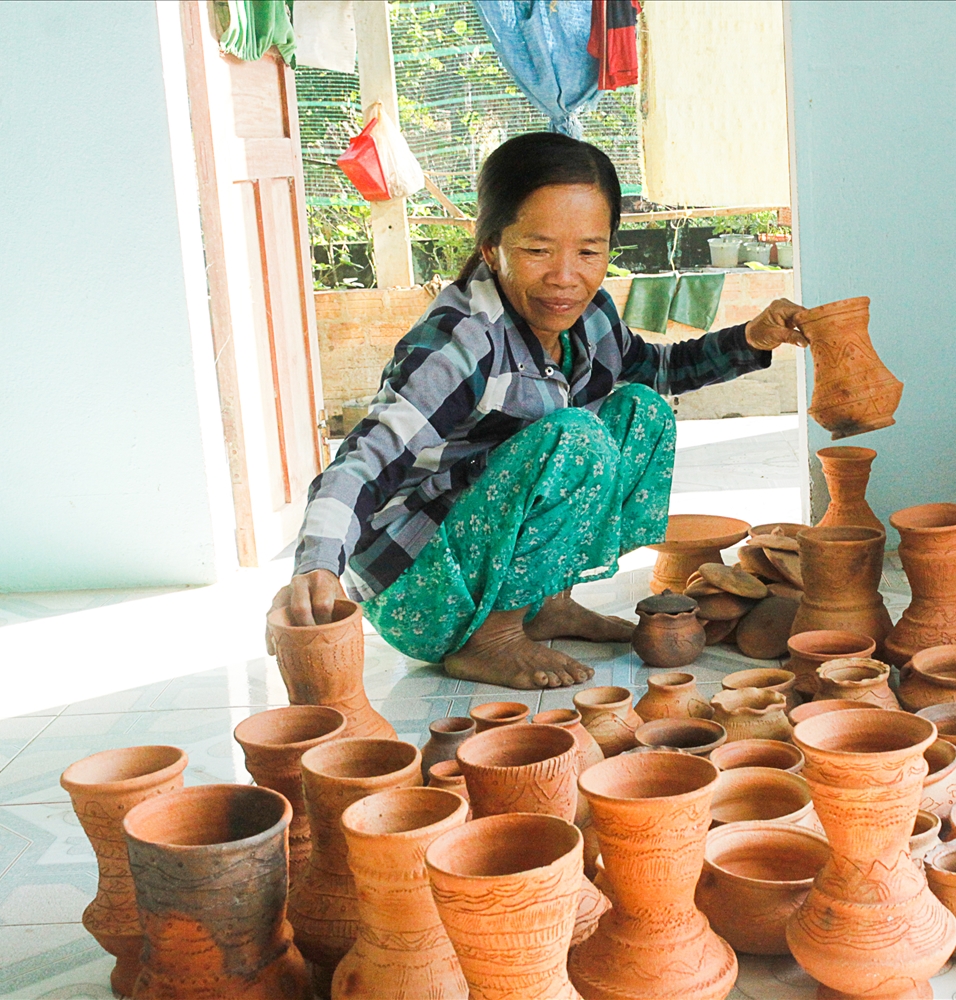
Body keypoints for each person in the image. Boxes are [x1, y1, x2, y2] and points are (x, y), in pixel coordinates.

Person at [265, 132, 807, 690]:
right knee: (574, 438)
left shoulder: (588, 315)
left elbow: (657, 369)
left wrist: (753, 337)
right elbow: (365, 459)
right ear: (491, 246)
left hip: (484, 562)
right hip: (424, 592)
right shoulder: (462, 341)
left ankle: (548, 606)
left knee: (641, 411)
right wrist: (316, 565)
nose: (565, 276)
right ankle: (490, 640)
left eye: (589, 251)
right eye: (538, 250)